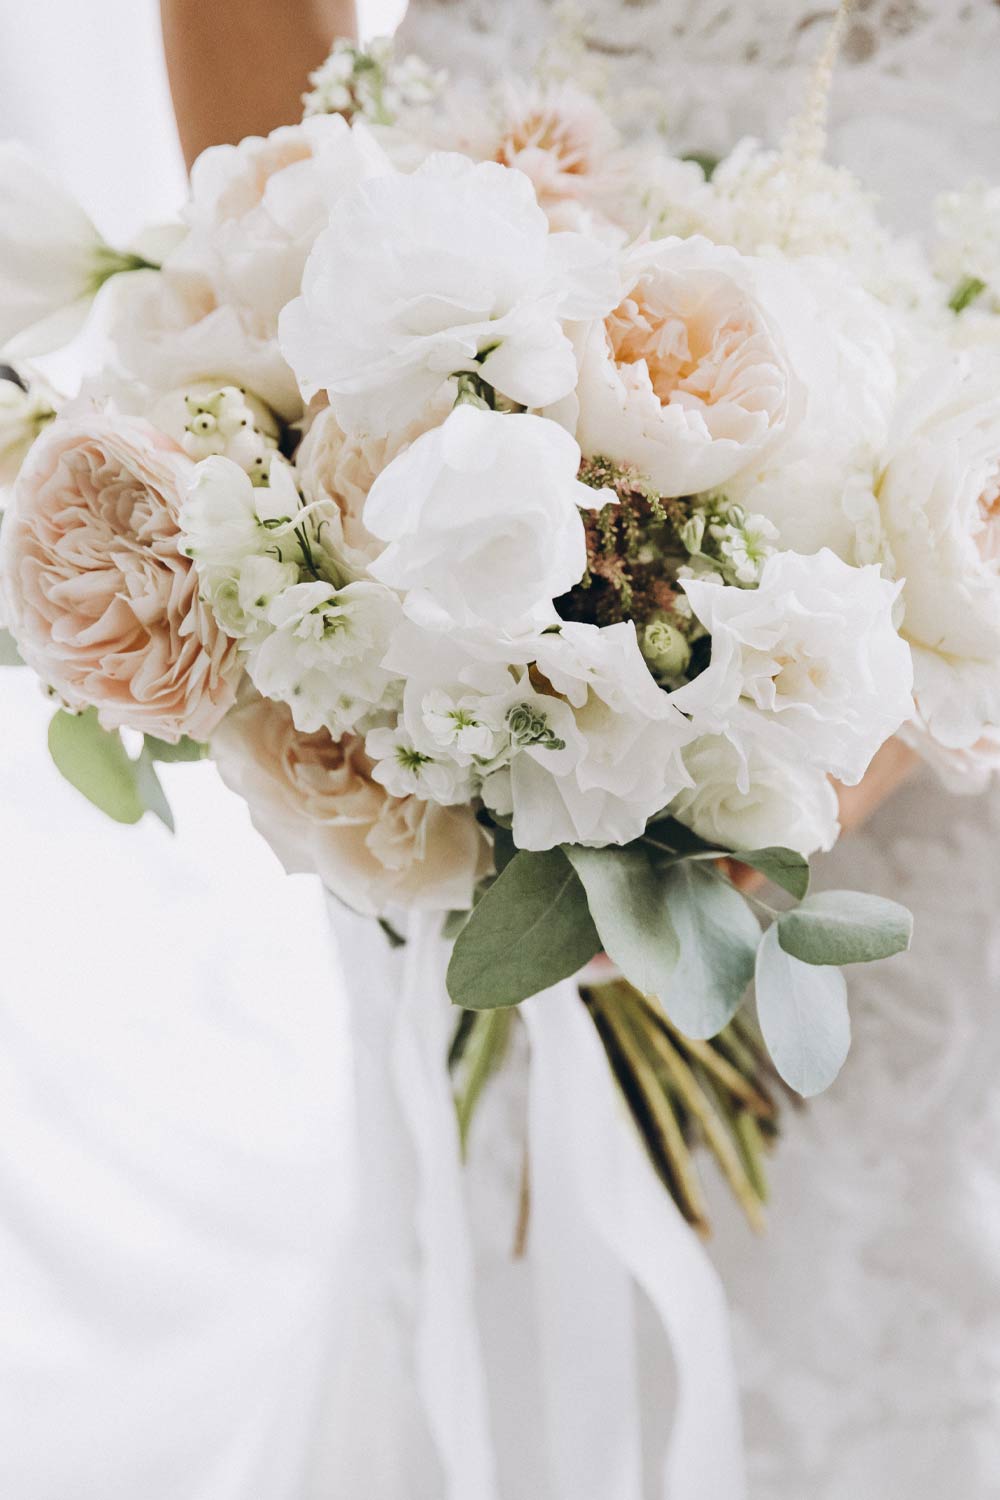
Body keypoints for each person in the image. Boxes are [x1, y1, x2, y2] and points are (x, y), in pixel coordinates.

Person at [160, 2, 1000, 1496]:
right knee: (499, 1235)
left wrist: (907, 674)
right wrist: (286, 447)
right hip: (451, 208)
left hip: (943, 263)